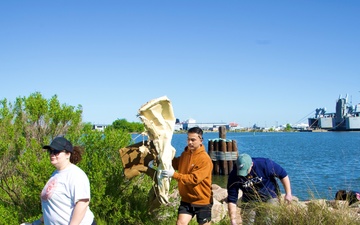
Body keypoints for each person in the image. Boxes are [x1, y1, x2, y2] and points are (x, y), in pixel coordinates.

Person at [31, 136, 96, 225]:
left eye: (56, 151)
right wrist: (37, 222)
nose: (52, 154)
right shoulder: (56, 174)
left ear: (68, 154)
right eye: (50, 151)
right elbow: (52, 207)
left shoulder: (75, 174)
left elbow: (82, 203)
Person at [161, 127, 213, 225]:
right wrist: (160, 161)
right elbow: (176, 163)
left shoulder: (205, 159)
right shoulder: (185, 154)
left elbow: (194, 179)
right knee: (180, 223)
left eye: (193, 140)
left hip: (202, 201)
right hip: (186, 199)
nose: (190, 142)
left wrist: (173, 175)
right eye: (188, 139)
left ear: (201, 140)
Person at [227, 153, 292, 225]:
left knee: (269, 220)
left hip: (270, 195)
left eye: (246, 170)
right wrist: (233, 220)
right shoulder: (234, 175)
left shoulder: (264, 164)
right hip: (249, 198)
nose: (244, 174)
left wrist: (288, 193)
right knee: (248, 222)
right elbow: (232, 199)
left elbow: (283, 174)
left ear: (251, 164)